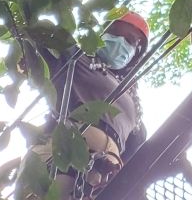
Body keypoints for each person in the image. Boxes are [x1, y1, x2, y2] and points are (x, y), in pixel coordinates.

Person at [17, 12, 149, 200]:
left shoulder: (133, 102)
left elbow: (138, 152)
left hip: (103, 175)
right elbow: (36, 31)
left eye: (130, 41)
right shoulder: (76, 58)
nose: (120, 42)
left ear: (135, 55)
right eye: (115, 33)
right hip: (64, 152)